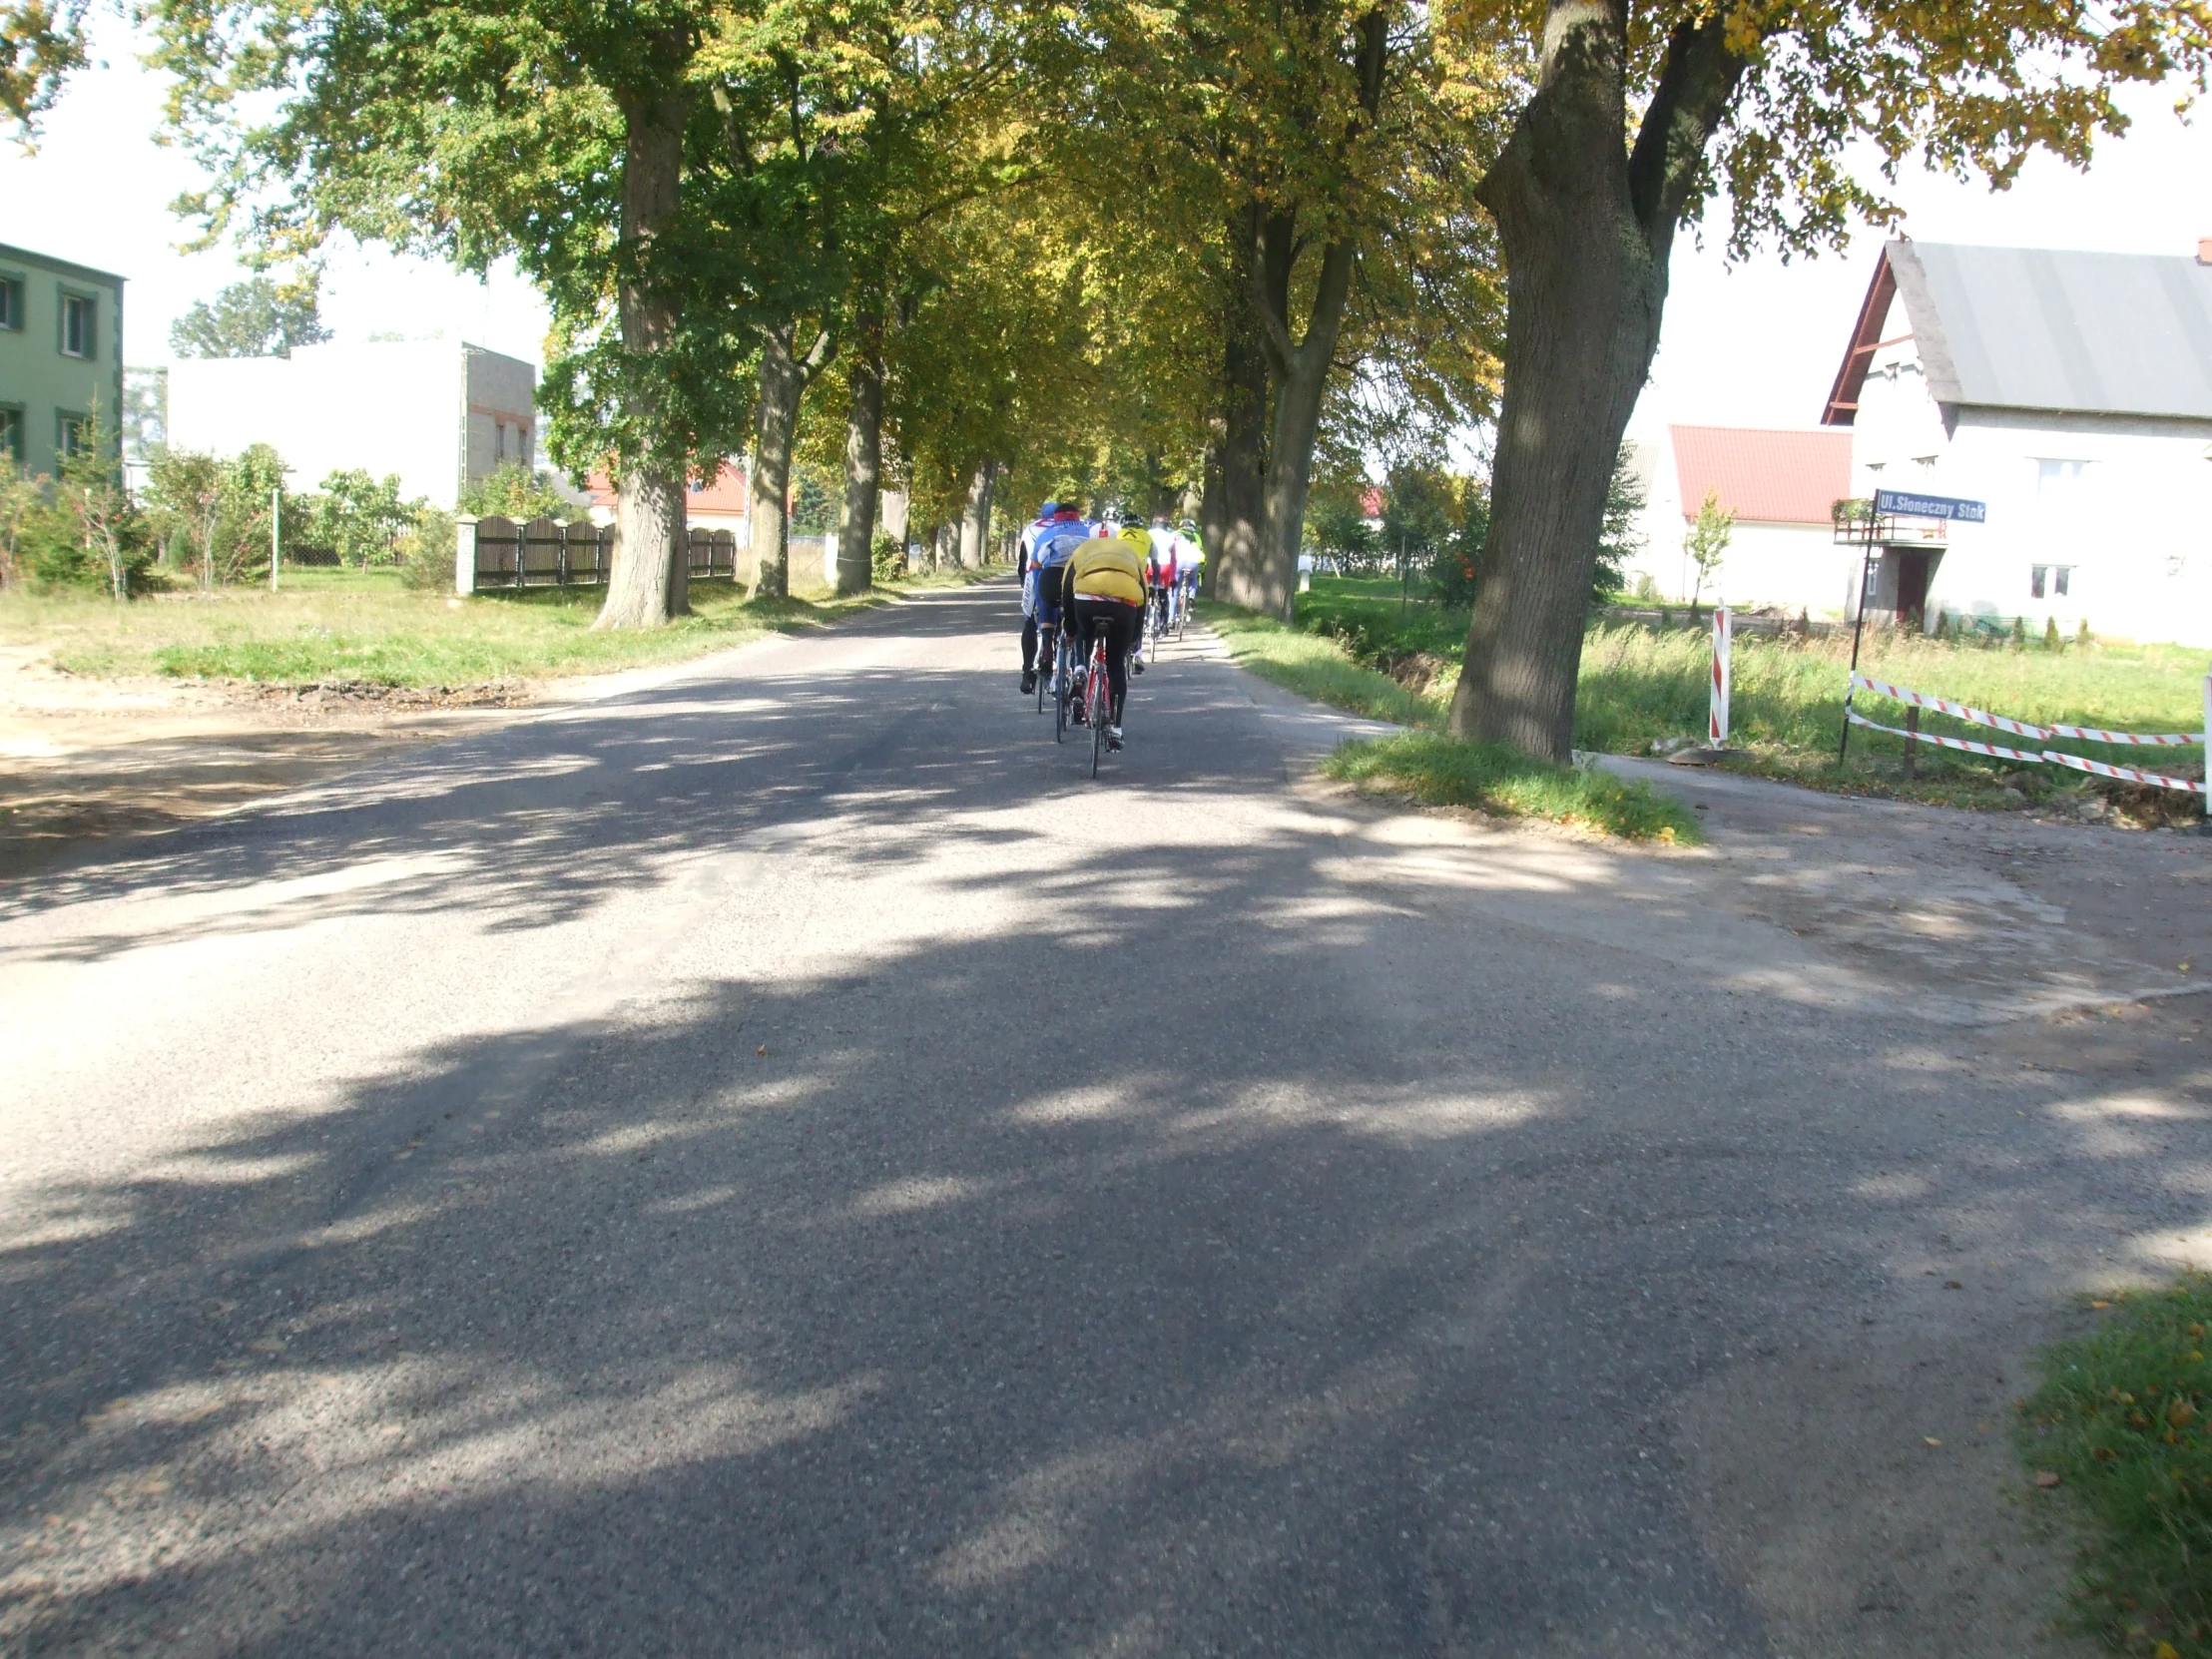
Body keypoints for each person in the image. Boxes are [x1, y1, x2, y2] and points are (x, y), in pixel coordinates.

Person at [1057, 520, 1148, 750]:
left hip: (1087, 600)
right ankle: (1116, 728)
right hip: (1124, 604)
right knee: (1116, 663)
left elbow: (1068, 586)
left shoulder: (1083, 549)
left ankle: (1080, 668)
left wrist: (1070, 626)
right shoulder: (1128, 551)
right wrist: (1134, 637)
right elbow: (1144, 593)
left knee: (1082, 631)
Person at [1021, 502, 1091, 695]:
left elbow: (1034, 571)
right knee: (1079, 619)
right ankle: (1079, 667)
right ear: (1078, 517)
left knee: (1040, 602)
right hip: (1079, 579)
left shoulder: (1042, 532)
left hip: (1051, 576)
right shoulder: (1088, 532)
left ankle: (1046, 644)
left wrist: (1038, 596)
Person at [1146, 514, 1180, 631]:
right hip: (1164, 567)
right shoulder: (1170, 537)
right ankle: (1164, 625)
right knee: (1163, 595)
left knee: (1144, 594)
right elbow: (1174, 560)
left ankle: (1141, 621)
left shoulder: (1147, 534)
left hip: (1149, 566)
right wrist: (1173, 578)